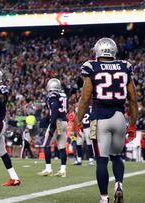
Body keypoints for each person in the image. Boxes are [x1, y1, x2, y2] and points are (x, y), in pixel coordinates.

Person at [73, 38, 138, 203]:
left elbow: (86, 96)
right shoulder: (124, 66)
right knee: (117, 157)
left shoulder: (91, 66)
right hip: (119, 117)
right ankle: (119, 184)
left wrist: (78, 121)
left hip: (100, 117)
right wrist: (132, 123)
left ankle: (104, 198)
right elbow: (133, 99)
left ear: (98, 51)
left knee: (101, 160)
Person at [38, 78, 68, 177]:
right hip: (64, 121)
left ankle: (48, 169)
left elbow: (54, 111)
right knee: (62, 146)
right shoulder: (63, 95)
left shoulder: (53, 96)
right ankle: (63, 170)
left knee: (46, 144)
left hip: (57, 122)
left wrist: (52, 126)